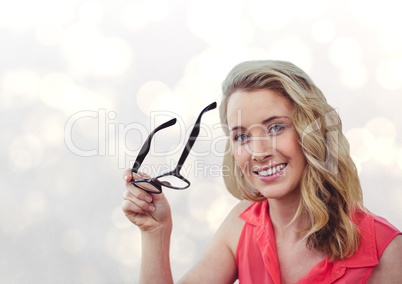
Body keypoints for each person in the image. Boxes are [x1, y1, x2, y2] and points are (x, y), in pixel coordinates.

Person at [122, 60, 402, 283]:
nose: (259, 151)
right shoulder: (241, 225)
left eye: (276, 127)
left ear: (312, 132)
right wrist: (155, 232)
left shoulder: (387, 251)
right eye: (242, 136)